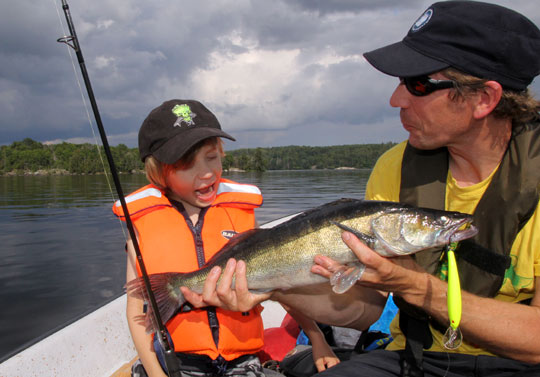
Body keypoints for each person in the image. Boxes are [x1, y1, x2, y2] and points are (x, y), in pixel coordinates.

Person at [308, 1, 540, 376]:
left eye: (418, 84)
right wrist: (275, 286)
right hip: (415, 357)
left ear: (484, 98)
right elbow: (366, 310)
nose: (395, 100)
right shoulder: (394, 167)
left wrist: (415, 287)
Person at [113, 99, 281, 377]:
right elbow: (136, 312)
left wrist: (318, 340)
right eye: (186, 163)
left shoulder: (241, 215)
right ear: (158, 171)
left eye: (212, 157)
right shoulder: (142, 228)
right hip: (179, 363)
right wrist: (156, 374)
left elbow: (281, 277)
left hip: (241, 361)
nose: (206, 172)